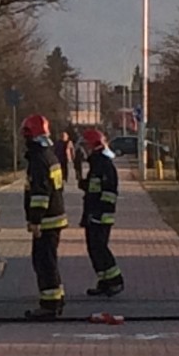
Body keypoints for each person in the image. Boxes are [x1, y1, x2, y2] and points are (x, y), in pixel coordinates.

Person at [21, 114, 68, 321]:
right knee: (48, 260)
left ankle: (49, 305)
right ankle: (57, 298)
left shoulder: (38, 159)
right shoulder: (49, 155)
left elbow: (40, 193)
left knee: (43, 262)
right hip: (55, 216)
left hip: (47, 220)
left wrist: (36, 220)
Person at [79, 129, 125, 297]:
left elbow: (109, 193)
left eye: (86, 145)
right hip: (93, 214)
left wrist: (99, 213)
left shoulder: (104, 165)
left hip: (101, 215)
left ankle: (116, 281)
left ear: (94, 146)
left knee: (100, 248)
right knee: (94, 249)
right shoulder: (96, 164)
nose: (84, 148)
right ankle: (104, 281)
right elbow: (95, 188)